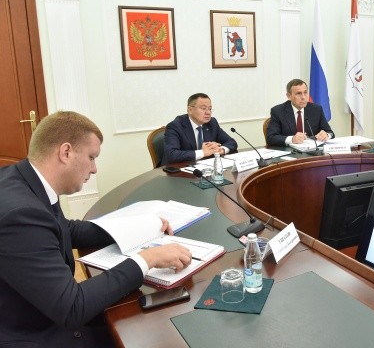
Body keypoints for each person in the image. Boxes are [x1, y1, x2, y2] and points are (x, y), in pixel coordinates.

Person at [0, 111, 193, 347]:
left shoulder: (23, 179)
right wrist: (147, 259)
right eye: (91, 157)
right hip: (34, 333)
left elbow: (65, 229)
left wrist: (140, 227)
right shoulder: (21, 215)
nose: (94, 169)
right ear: (66, 152)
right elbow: (72, 308)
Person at [163, 93, 237, 165]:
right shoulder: (175, 126)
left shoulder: (212, 123)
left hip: (204, 167)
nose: (208, 112)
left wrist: (221, 149)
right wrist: (203, 152)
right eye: (203, 108)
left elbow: (231, 142)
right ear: (190, 110)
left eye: (210, 109)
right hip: (178, 169)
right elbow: (172, 154)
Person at [266, 78, 335, 147]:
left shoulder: (316, 109)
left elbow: (330, 132)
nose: (303, 97)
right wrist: (292, 139)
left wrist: (326, 135)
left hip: (312, 150)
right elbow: (271, 137)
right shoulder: (278, 111)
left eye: (305, 92)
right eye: (298, 93)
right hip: (289, 151)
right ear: (289, 96)